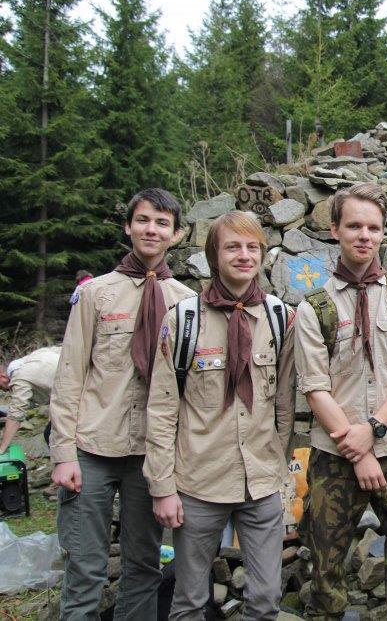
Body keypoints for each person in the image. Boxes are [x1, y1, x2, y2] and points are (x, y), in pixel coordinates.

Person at [48, 188, 195, 619]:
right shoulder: (95, 294)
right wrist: (62, 453)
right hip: (92, 448)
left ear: (177, 233)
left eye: (162, 223)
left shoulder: (186, 303)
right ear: (128, 226)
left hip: (150, 456)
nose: (152, 229)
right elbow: (70, 374)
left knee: (144, 566)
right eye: (144, 220)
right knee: (85, 567)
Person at [144, 212, 295, 619]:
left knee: (265, 600)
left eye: (252, 247)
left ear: (263, 254)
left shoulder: (280, 318)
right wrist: (162, 486)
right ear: (214, 255)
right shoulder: (184, 320)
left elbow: (284, 403)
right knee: (189, 601)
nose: (244, 256)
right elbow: (161, 409)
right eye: (232, 247)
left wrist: (279, 470)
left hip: (261, 484)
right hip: (199, 485)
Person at [294, 183, 387, 620]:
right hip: (334, 455)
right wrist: (355, 448)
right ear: (334, 229)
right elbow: (315, 386)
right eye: (354, 225)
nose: (364, 236)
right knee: (325, 564)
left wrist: (371, 431)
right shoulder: (313, 307)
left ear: (383, 233)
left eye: (373, 227)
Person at [0, 346, 60, 454]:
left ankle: (69, 467)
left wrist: (2, 449)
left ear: (2, 377)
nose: (4, 391)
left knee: (51, 434)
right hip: (89, 380)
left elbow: (16, 416)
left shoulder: (19, 378)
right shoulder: (35, 356)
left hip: (80, 394)